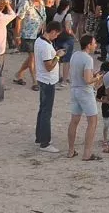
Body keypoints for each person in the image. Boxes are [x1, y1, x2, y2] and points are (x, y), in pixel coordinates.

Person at [66, 35, 102, 161]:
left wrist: (92, 75)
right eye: (94, 43)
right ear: (88, 45)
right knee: (92, 121)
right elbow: (87, 80)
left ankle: (71, 151)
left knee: (74, 121)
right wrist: (97, 78)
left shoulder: (75, 55)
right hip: (85, 91)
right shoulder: (88, 59)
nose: (95, 45)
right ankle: (87, 154)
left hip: (74, 89)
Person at [34, 21, 64, 153]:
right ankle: (45, 143)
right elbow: (49, 67)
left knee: (43, 110)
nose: (56, 37)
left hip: (43, 79)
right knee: (46, 112)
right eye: (56, 34)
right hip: (48, 81)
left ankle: (40, 137)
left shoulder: (39, 41)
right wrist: (57, 56)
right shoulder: (45, 46)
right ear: (52, 32)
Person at [14, 0, 47, 90]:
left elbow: (43, 18)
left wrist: (45, 33)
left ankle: (19, 73)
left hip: (39, 34)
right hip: (28, 34)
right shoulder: (26, 4)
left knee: (33, 57)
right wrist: (17, 36)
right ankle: (34, 81)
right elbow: (19, 19)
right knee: (33, 57)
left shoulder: (42, 4)